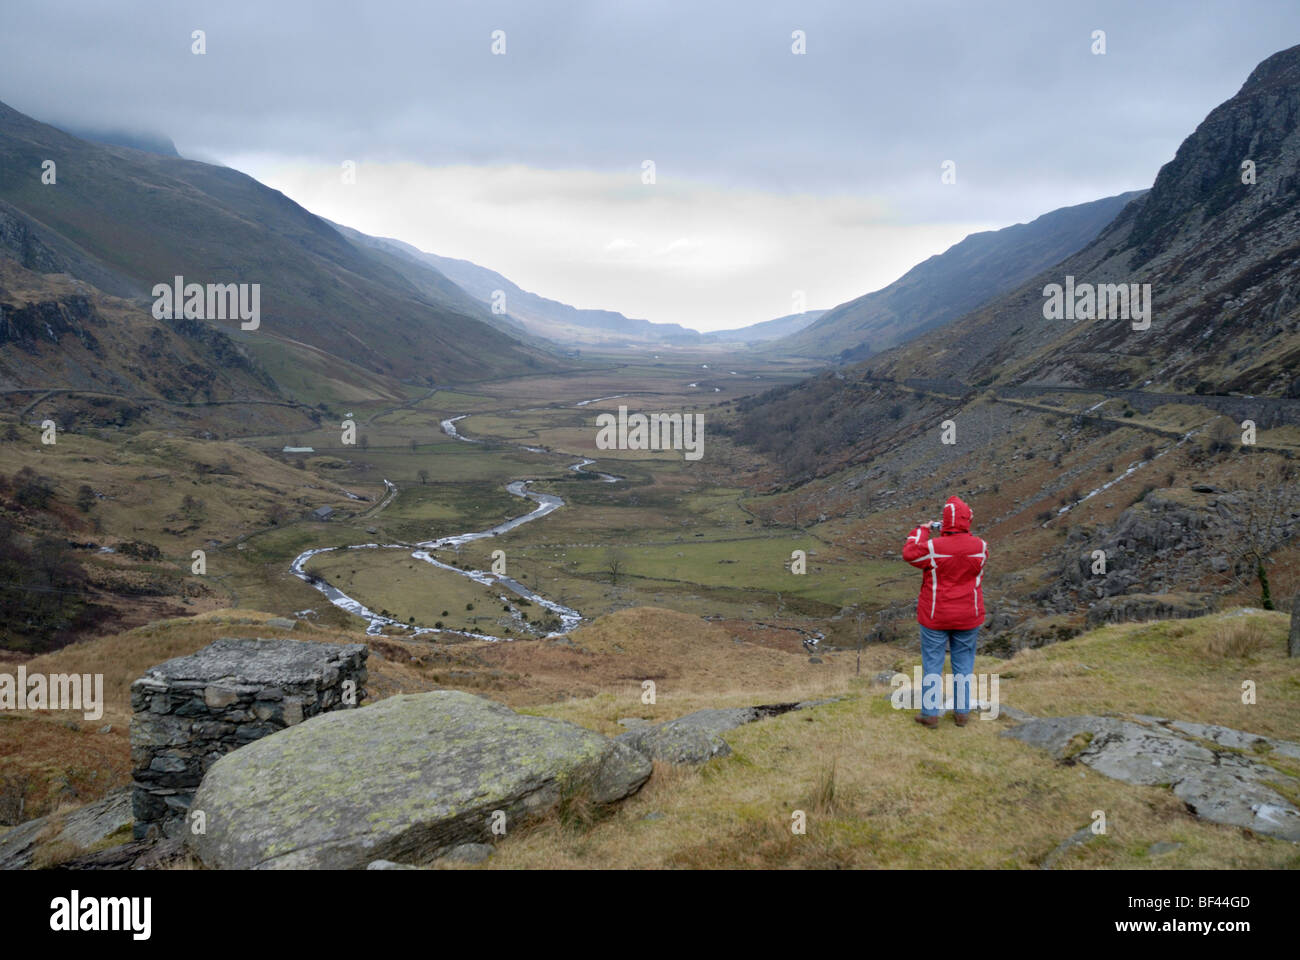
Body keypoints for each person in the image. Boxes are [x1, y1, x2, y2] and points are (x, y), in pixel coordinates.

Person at [901, 495, 988, 728]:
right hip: (968, 614)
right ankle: (962, 713)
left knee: (932, 662)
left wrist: (922, 530)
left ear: (945, 522)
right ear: (966, 520)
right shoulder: (981, 547)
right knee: (964, 663)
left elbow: (909, 553)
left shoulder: (933, 547)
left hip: (935, 615)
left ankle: (930, 713)